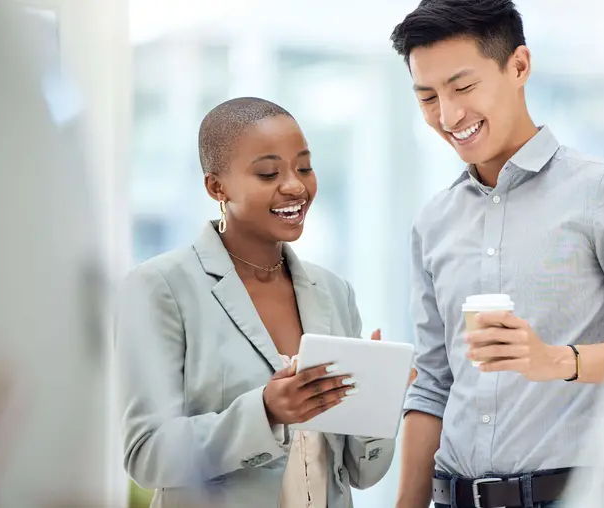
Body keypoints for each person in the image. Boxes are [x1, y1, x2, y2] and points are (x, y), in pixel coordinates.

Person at [388, 1, 604, 507]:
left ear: (519, 66)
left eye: (462, 88)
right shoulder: (434, 220)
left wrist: (556, 360)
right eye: (427, 97)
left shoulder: (602, 190)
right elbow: (433, 383)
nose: (448, 116)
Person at [114, 97, 394, 508]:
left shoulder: (334, 290)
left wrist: (377, 399)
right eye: (268, 173)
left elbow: (364, 473)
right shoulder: (159, 287)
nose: (296, 185)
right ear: (217, 187)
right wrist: (266, 411)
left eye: (304, 167)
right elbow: (146, 453)